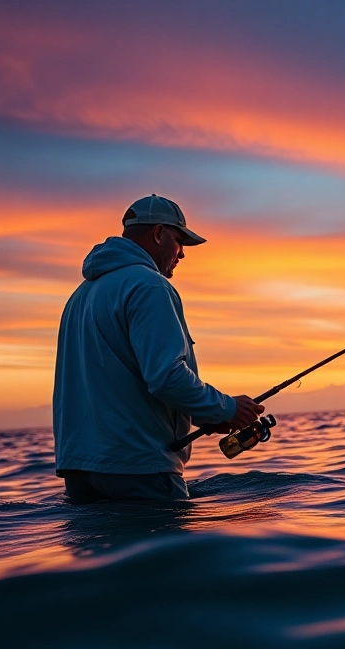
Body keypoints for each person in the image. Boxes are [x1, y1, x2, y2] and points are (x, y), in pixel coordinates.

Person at [53, 194, 263, 502]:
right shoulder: (149, 286)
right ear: (158, 233)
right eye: (179, 241)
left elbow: (120, 381)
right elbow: (166, 376)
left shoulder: (80, 297)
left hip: (79, 472)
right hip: (139, 468)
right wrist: (226, 408)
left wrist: (207, 416)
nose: (181, 255)